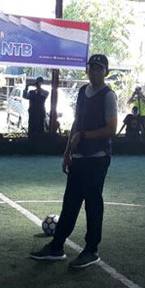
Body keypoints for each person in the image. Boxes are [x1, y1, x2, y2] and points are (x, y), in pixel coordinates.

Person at [29, 54, 117, 269]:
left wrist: (84, 136)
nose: (94, 71)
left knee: (93, 204)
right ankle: (57, 246)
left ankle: (91, 250)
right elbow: (77, 123)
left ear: (105, 71)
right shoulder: (82, 92)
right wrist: (68, 152)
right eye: (92, 67)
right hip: (79, 157)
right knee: (70, 203)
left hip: (97, 158)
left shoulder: (108, 96)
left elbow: (111, 130)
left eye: (99, 68)